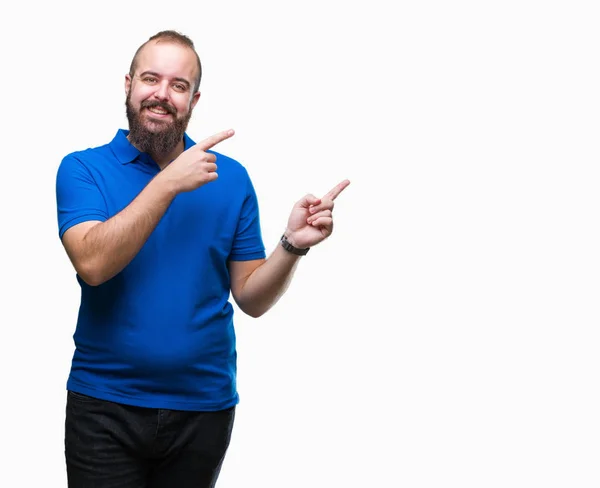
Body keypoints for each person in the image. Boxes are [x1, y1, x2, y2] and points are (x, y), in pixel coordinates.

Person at [55, 29, 349, 488]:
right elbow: (93, 264)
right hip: (104, 405)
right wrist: (171, 180)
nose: (162, 94)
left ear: (194, 99)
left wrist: (292, 245)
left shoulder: (231, 179)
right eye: (151, 79)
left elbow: (250, 297)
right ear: (128, 84)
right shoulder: (82, 169)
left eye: (178, 85)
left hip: (203, 408)